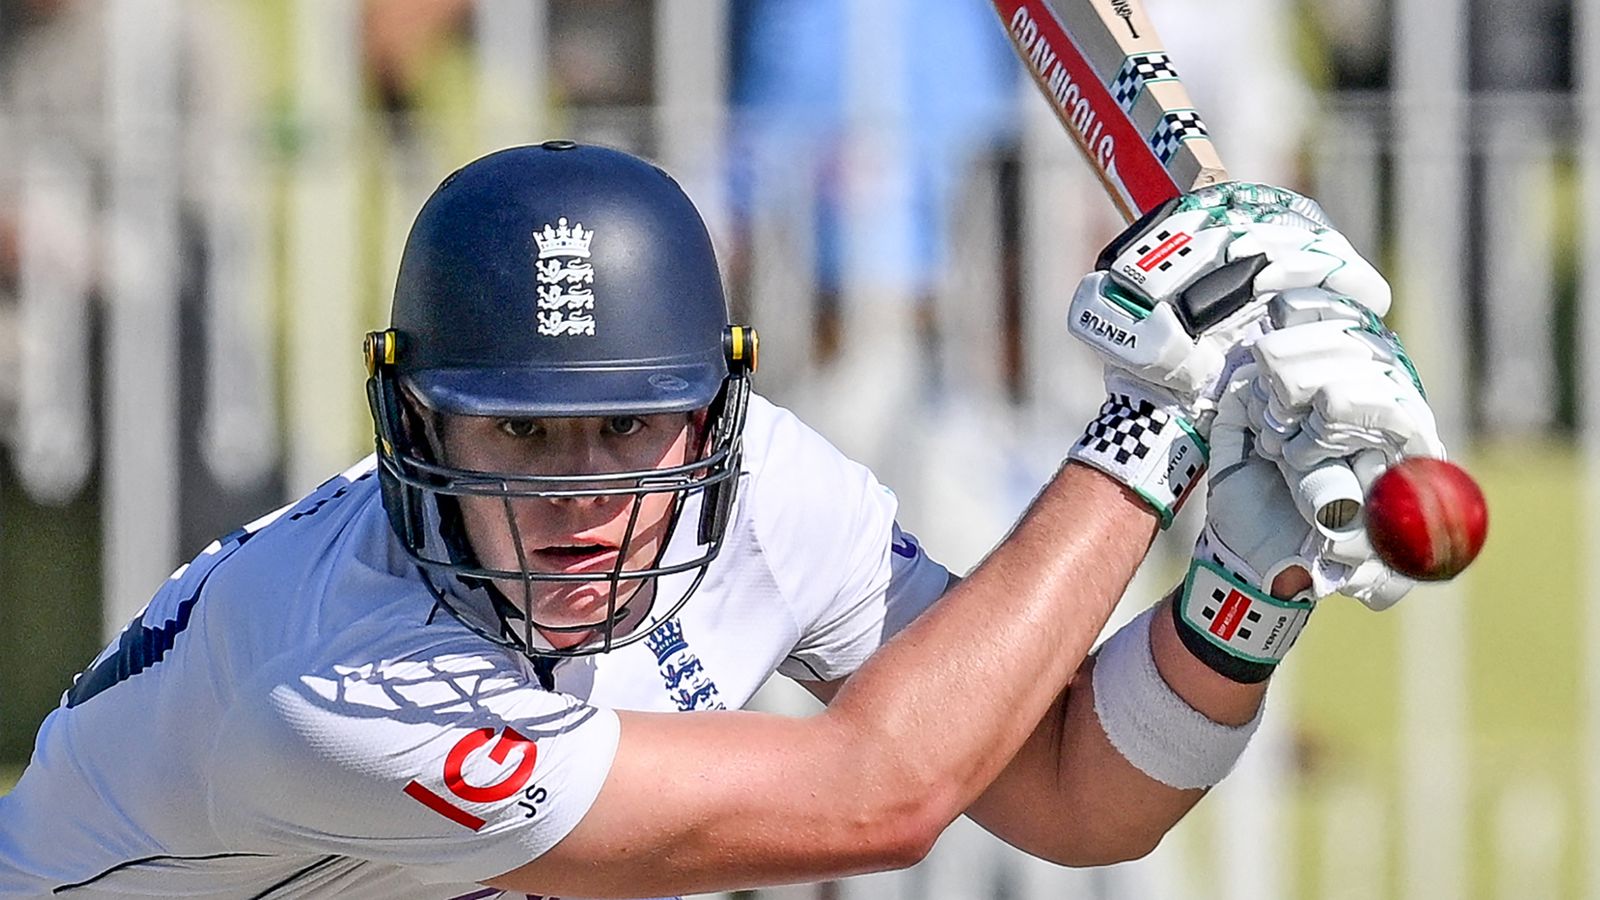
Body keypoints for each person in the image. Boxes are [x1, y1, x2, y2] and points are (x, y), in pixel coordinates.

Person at [0, 143, 1441, 898]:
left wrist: (1245, 590)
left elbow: (1069, 793)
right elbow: (880, 797)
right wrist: (1158, 424)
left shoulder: (773, 498)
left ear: (712, 411)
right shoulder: (328, 683)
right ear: (419, 426)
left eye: (626, 425)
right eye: (520, 430)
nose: (576, 494)